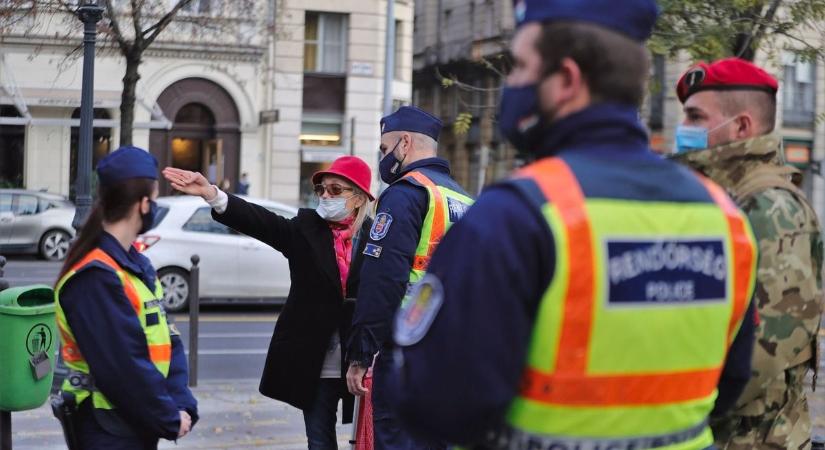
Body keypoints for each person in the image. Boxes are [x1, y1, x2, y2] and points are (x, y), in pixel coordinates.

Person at [388, 1, 760, 449]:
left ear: (566, 80)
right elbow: (733, 382)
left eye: (522, 66)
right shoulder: (725, 218)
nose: (512, 83)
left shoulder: (516, 216)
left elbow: (436, 404)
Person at [163, 155, 375, 449]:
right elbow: (262, 222)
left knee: (368, 438)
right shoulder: (305, 228)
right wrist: (213, 194)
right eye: (322, 190)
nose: (325, 196)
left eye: (336, 190)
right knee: (319, 439)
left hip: (361, 359)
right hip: (315, 359)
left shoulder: (376, 236)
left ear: (359, 198)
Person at [672, 58, 824, 450]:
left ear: (741, 126)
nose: (683, 129)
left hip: (752, 439)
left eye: (695, 117)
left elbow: (767, 349)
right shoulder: (716, 196)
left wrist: (673, 412)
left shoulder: (770, 207)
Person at [345, 106, 473, 449]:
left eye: (385, 150)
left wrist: (360, 354)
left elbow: (383, 280)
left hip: (409, 355)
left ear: (404, 143)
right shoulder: (462, 198)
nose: (384, 158)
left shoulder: (406, 194)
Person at [54, 146, 197, 450]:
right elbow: (123, 368)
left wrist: (182, 405)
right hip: (106, 427)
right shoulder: (95, 275)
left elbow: (167, 340)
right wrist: (168, 417)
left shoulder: (135, 264)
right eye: (155, 199)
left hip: (133, 423)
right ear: (143, 204)